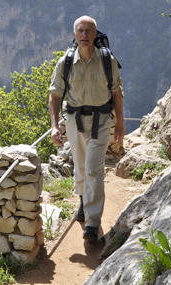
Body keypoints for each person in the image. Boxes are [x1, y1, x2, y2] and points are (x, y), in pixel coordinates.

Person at [48, 15, 125, 241]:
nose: (84, 35)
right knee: (80, 167)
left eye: (88, 31)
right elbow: (54, 96)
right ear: (74, 35)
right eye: (80, 31)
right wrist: (54, 126)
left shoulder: (107, 60)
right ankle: (82, 199)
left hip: (101, 121)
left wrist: (120, 122)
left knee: (93, 169)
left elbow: (116, 93)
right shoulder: (66, 62)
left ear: (95, 34)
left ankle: (92, 222)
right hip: (75, 122)